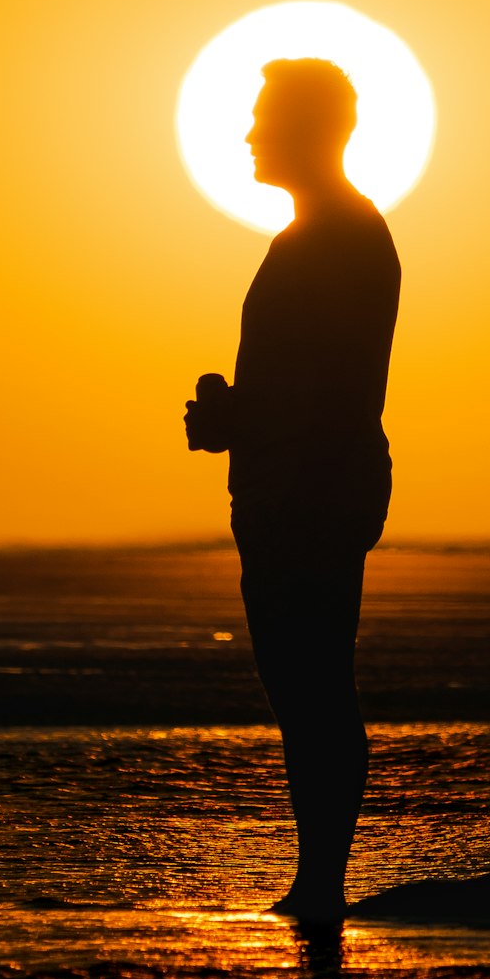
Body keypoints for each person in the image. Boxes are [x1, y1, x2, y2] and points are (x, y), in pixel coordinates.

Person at [184, 58, 401, 921]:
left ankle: (321, 886)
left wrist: (237, 422)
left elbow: (323, 396)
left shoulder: (340, 238)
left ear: (315, 129)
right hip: (297, 490)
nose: (247, 133)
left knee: (313, 687)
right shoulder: (320, 236)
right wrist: (238, 421)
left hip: (310, 492)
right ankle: (317, 882)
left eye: (265, 116)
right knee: (305, 687)